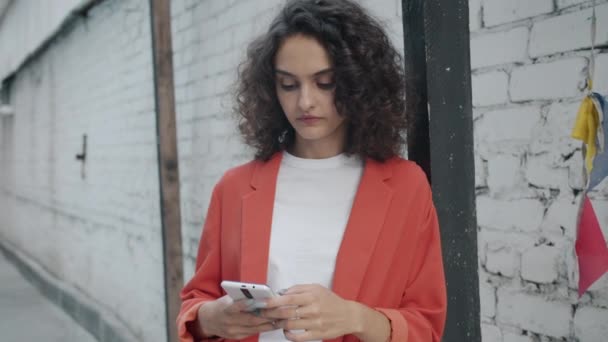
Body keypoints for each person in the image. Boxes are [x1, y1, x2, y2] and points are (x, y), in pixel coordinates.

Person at [177, 0, 447, 341]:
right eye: (288, 85)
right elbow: (197, 303)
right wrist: (211, 318)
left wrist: (356, 317)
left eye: (325, 83)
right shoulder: (235, 188)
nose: (305, 102)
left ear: (357, 83)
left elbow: (426, 325)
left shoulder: (406, 186)